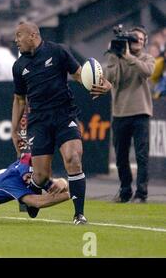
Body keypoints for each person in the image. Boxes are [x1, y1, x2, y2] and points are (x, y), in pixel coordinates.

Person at [11, 22, 112, 225]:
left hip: (64, 116)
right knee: (39, 176)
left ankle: (79, 214)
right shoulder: (19, 66)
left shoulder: (57, 51)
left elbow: (79, 74)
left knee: (73, 157)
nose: (16, 40)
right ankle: (35, 188)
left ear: (33, 35)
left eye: (18, 36)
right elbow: (20, 100)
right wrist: (15, 130)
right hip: (39, 122)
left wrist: (102, 83)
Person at [105, 26, 155, 203]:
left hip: (141, 112)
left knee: (142, 155)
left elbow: (147, 71)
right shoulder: (116, 56)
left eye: (141, 40)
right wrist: (115, 56)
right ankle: (125, 190)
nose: (138, 42)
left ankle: (141, 193)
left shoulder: (147, 58)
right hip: (120, 112)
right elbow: (109, 77)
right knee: (121, 156)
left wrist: (128, 57)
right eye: (135, 39)